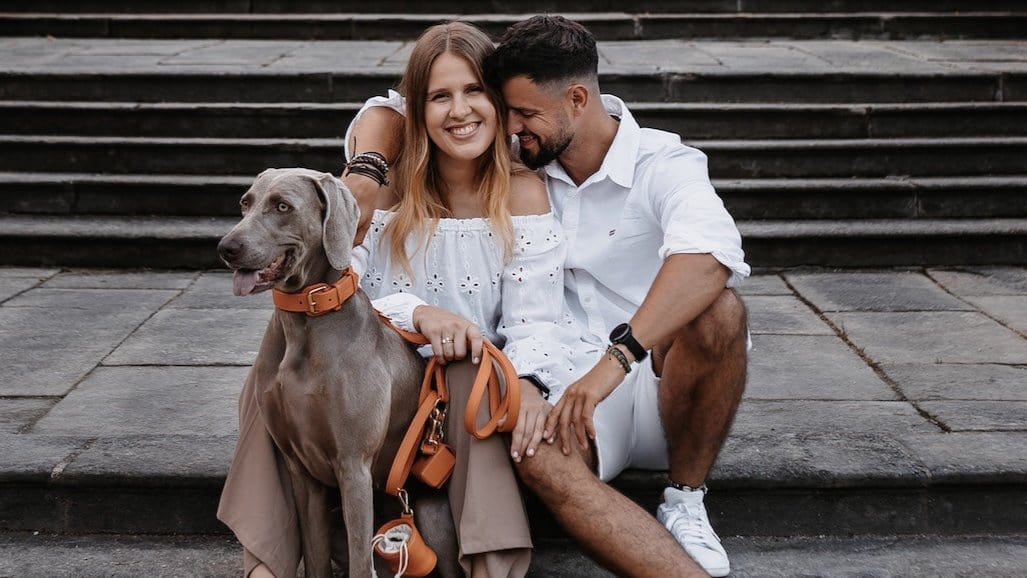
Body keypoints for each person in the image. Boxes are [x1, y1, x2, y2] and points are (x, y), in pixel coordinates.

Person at [347, 15, 751, 578]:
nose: (511, 126)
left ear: (577, 100)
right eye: (507, 110)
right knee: (532, 449)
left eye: (524, 113)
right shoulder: (522, 162)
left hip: (662, 384)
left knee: (720, 310)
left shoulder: (662, 164)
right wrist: (365, 172)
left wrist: (614, 363)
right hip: (569, 383)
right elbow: (393, 110)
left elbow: (709, 257)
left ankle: (685, 498)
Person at [218, 21, 573, 578]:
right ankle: (267, 565)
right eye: (439, 97)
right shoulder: (386, 187)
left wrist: (529, 383)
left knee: (472, 371)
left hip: (463, 395)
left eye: (474, 91)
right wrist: (419, 313)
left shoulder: (523, 192)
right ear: (417, 110)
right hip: (370, 374)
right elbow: (343, 282)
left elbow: (536, 322)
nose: (459, 111)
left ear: (499, 102)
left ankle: (490, 564)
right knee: (279, 365)